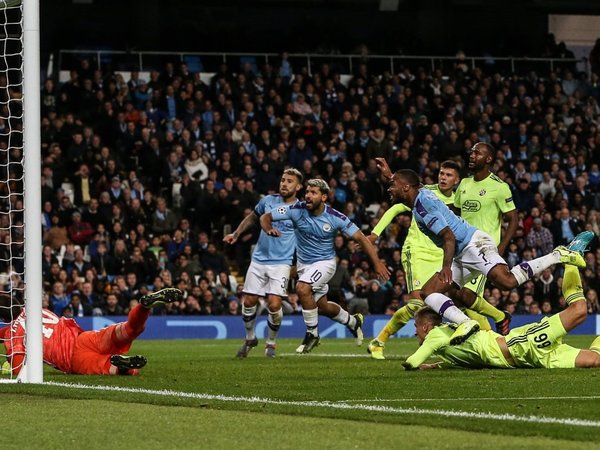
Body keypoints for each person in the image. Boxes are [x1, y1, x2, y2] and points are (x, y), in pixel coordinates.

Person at [385, 168, 585, 346]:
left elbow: (448, 237)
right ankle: (466, 323)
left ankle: (558, 254)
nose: (389, 188)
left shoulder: (422, 206)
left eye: (392, 184)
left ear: (405, 188)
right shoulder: (420, 194)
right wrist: (390, 174)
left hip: (473, 243)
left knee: (506, 282)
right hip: (461, 252)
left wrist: (446, 267)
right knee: (429, 292)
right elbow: (412, 183)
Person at [403, 232, 600, 370]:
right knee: (594, 360)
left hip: (522, 345)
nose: (415, 332)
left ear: (428, 327)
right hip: (529, 361)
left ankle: (570, 259)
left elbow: (413, 361)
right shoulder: (448, 346)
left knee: (579, 310)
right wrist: (435, 367)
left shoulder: (436, 335)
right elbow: (460, 361)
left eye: (417, 326)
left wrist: (415, 364)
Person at [367, 160, 491, 359]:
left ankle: (493, 339)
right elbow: (395, 207)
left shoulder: (460, 198)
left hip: (444, 253)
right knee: (418, 303)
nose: (443, 177)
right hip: (417, 250)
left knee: (460, 300)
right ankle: (379, 341)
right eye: (441, 173)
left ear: (457, 181)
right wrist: (375, 234)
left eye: (449, 175)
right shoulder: (424, 192)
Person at [260, 178, 390, 353]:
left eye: (313, 193)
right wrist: (268, 228)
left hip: (325, 263)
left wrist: (377, 263)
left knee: (302, 288)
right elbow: (266, 216)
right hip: (304, 265)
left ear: (323, 197)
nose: (307, 195)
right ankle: (354, 321)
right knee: (322, 306)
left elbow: (360, 238)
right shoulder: (295, 210)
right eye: (307, 192)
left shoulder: (335, 217)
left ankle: (312, 333)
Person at [0, 288, 183, 376]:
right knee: (126, 330)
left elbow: (17, 370)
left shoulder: (12, 333)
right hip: (83, 338)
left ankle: (122, 365)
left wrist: (9, 360)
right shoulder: (37, 309)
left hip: (72, 359)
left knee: (114, 369)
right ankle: (143, 307)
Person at [223, 168, 303, 358]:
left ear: (298, 187)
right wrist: (236, 233)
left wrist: (299, 265)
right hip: (259, 259)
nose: (284, 183)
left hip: (282, 263)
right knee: (249, 300)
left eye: (289, 181)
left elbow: (305, 239)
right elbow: (252, 217)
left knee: (274, 304)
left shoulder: (301, 210)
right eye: (283, 179)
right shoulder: (267, 201)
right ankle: (250, 337)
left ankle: (271, 343)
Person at [452, 142, 518, 334]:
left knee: (467, 297)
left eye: (477, 153)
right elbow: (455, 213)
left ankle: (494, 337)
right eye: (471, 152)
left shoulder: (499, 187)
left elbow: (513, 220)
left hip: (482, 252)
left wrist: (500, 249)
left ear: (488, 159)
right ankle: (496, 327)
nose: (472, 155)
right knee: (455, 297)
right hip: (460, 250)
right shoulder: (464, 184)